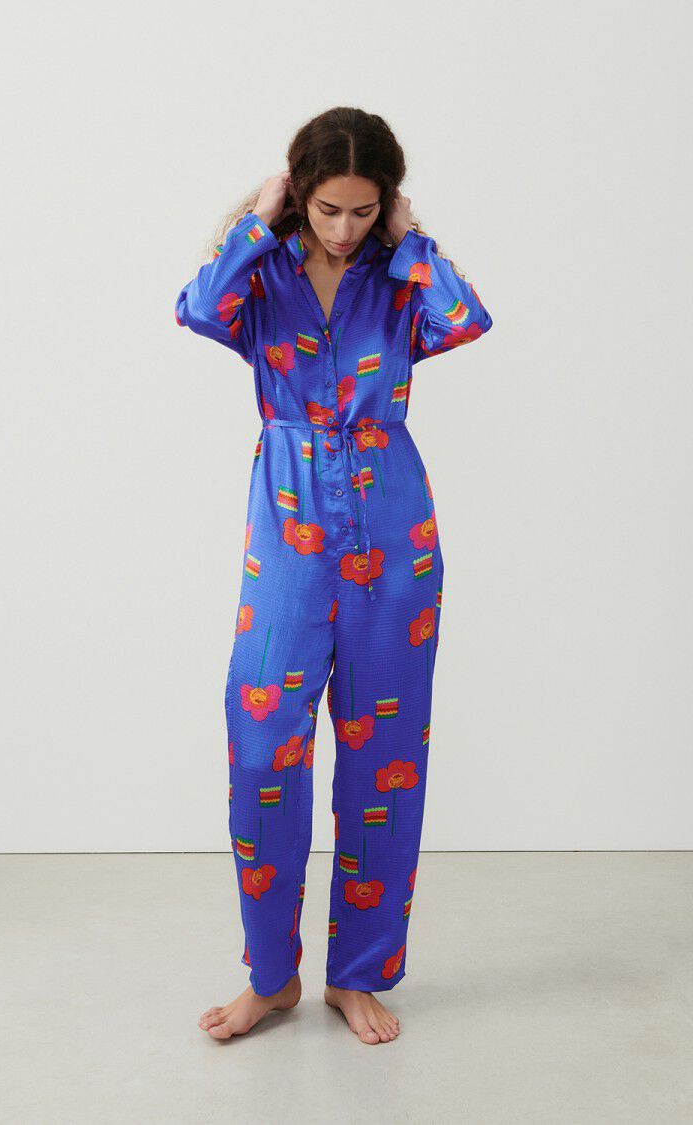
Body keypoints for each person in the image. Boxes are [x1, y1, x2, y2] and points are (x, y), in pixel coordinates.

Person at [174, 107, 493, 1044]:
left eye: (362, 210)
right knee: (263, 738)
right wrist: (258, 217)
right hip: (289, 518)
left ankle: (358, 972)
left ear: (384, 203)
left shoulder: (399, 276)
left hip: (393, 521)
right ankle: (272, 976)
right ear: (299, 194)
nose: (344, 229)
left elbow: (467, 321)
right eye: (326, 209)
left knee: (383, 755)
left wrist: (412, 238)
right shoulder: (261, 271)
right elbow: (197, 308)